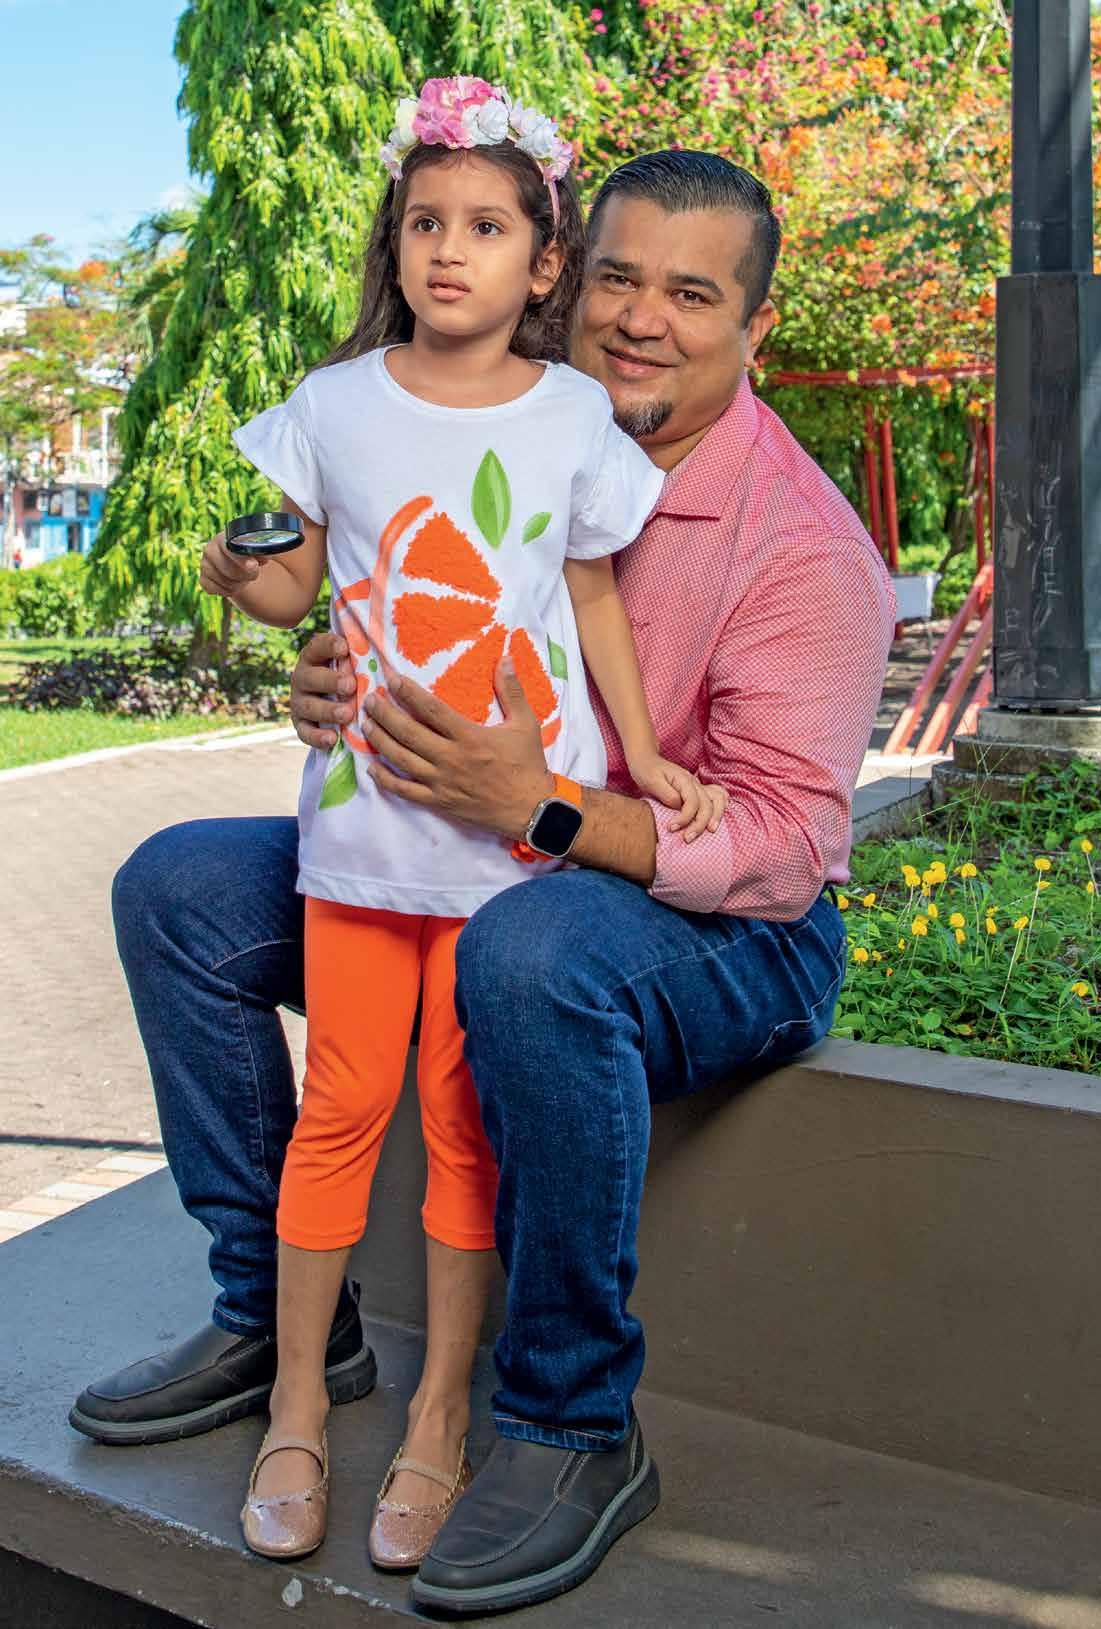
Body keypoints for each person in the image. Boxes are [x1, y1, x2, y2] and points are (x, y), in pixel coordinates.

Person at [72, 145, 895, 1613]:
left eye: (691, 295)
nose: (640, 318)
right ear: (570, 282)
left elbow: (780, 851)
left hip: (721, 927)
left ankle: (575, 1420)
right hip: (460, 849)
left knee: (531, 951)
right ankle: (281, 1324)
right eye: (620, 279)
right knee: (179, 889)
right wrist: (326, 669)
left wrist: (549, 811)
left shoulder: (803, 548)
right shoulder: (511, 421)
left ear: (754, 327)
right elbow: (383, 588)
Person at [203, 78, 725, 1567]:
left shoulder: (572, 417)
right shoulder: (334, 404)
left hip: (506, 853)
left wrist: (645, 759)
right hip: (363, 832)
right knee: (338, 1108)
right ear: (398, 240)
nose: (450, 249)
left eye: (487, 226)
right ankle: (296, 1400)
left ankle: (440, 1414)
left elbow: (592, 594)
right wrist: (246, 583)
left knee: (458, 1128)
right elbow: (295, 580)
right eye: (426, 221)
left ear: (542, 264)